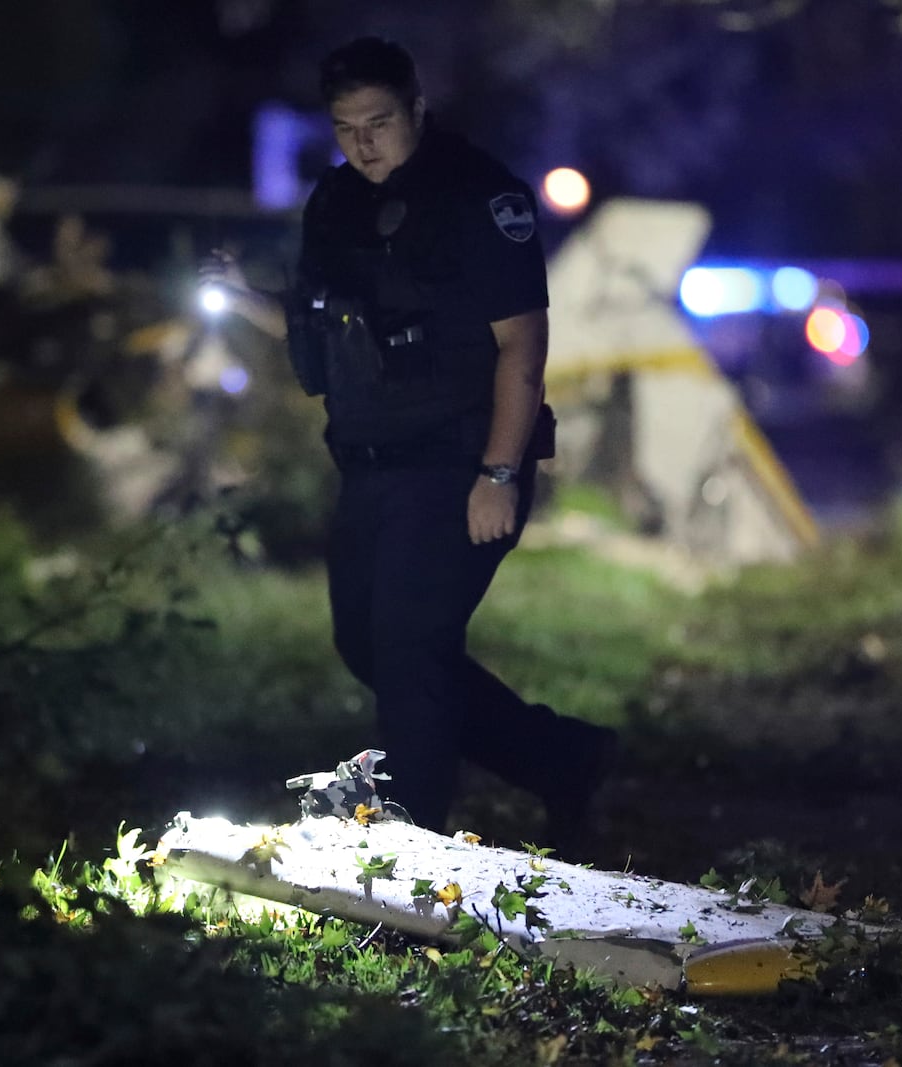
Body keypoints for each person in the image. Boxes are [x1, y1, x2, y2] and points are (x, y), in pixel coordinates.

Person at [201, 36, 616, 846]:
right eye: (346, 126)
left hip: (460, 459)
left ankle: (408, 856)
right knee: (366, 643)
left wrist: (497, 471)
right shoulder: (336, 204)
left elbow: (522, 348)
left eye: (380, 121)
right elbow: (330, 326)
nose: (363, 142)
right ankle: (561, 756)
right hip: (369, 464)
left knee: (411, 646)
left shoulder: (478, 196)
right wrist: (245, 294)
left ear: (417, 109)